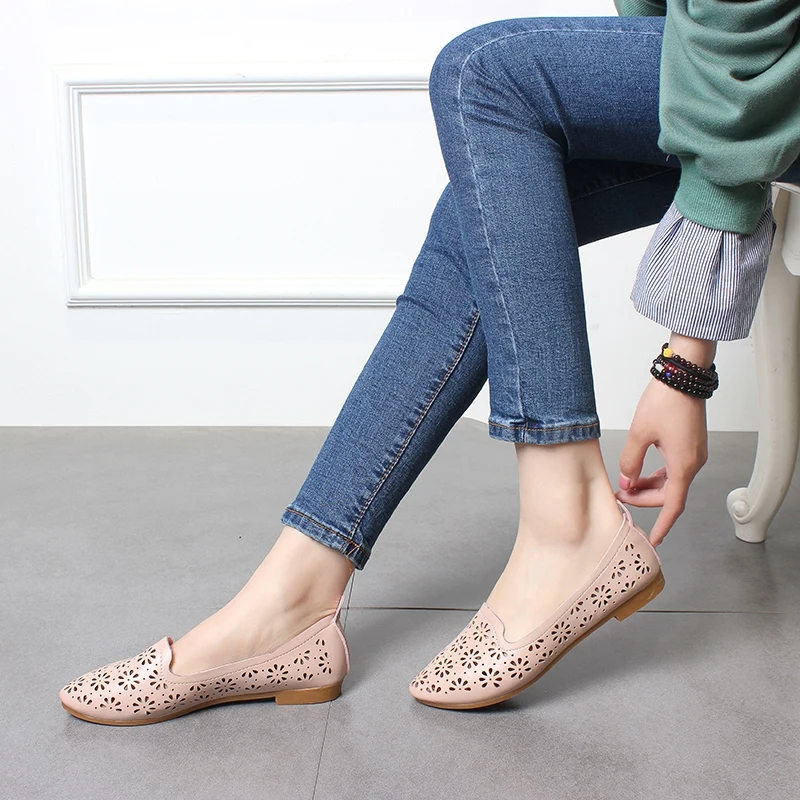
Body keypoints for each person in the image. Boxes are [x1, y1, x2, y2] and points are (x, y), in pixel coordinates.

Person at [60, 2, 800, 723]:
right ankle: (292, 597)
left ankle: (569, 522)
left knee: (485, 74)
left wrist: (685, 361)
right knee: (483, 202)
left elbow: (745, 48)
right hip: (724, 72)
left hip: (763, 73)